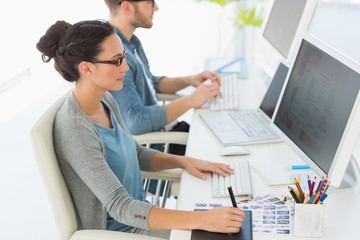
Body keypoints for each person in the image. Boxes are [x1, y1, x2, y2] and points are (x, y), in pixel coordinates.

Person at [36, 19, 244, 239]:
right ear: (86, 68)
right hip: (125, 232)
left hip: (142, 218)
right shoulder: (75, 130)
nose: (125, 67)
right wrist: (203, 219)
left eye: (123, 57)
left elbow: (137, 153)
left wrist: (185, 161)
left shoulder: (104, 98)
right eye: (116, 61)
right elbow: (121, 207)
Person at [103, 0, 222, 155]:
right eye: (150, 2)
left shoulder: (132, 42)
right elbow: (135, 121)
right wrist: (191, 100)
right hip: (159, 147)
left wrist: (189, 80)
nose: (156, 8)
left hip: (168, 132)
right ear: (127, 7)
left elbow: (149, 82)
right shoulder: (115, 56)